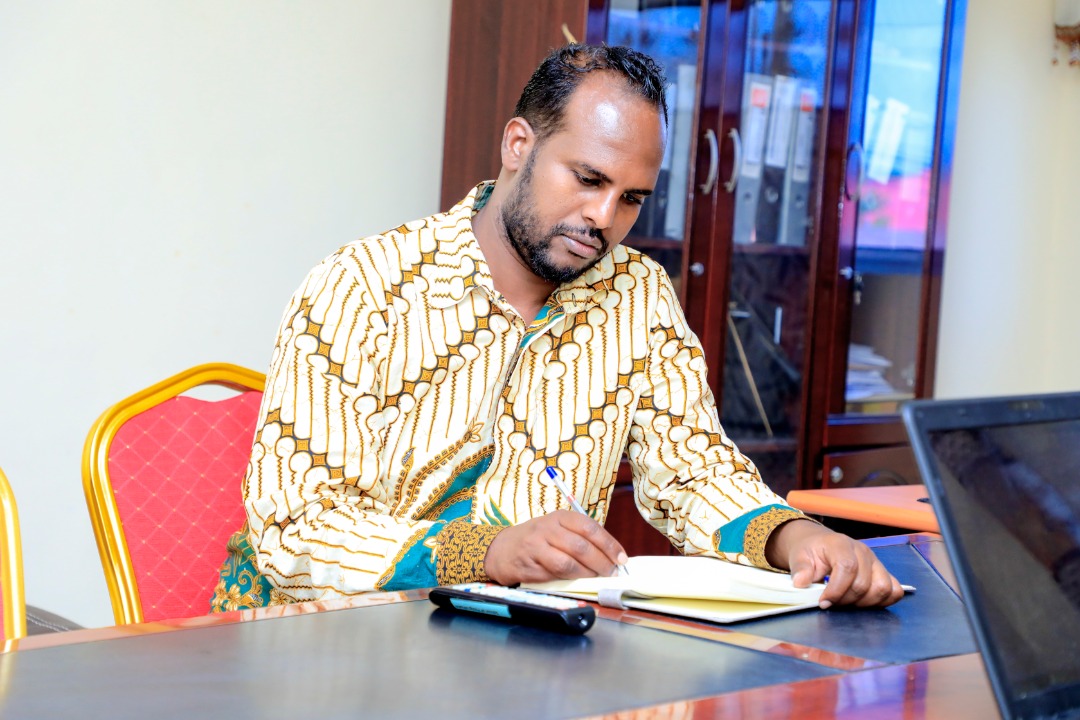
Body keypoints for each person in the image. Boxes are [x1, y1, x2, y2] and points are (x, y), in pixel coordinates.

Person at [211, 44, 904, 614]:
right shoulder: (360, 286)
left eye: (631, 198)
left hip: (521, 652)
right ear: (519, 144)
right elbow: (298, 533)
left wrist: (796, 534)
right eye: (587, 178)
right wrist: (484, 552)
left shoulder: (637, 295)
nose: (604, 217)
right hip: (322, 651)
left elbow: (691, 471)